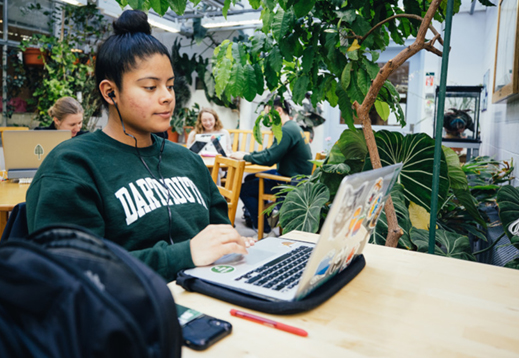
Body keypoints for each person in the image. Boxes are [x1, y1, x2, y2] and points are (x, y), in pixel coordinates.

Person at [26, 10, 253, 282]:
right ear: (110, 92)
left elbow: (221, 235)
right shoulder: (72, 165)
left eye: (169, 86)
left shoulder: (188, 161)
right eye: (150, 87)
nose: (167, 97)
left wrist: (235, 246)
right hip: (127, 314)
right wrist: (184, 255)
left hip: (213, 296)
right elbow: (72, 269)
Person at [230, 97, 313, 234]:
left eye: (268, 115)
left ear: (278, 111)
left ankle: (263, 226)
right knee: (250, 178)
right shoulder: (292, 127)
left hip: (289, 182)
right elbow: (272, 153)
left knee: (243, 189)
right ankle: (264, 215)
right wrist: (249, 154)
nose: (268, 120)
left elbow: (269, 158)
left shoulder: (286, 131)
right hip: (293, 177)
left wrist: (245, 156)